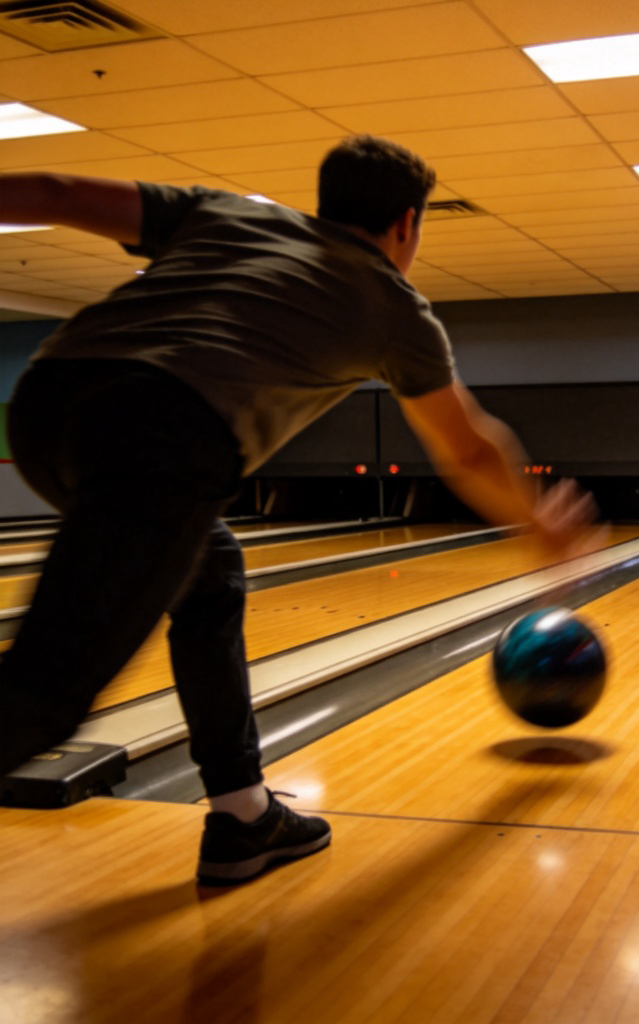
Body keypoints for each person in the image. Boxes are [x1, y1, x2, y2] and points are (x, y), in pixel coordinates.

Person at [0, 135, 596, 885]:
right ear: (407, 224)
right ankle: (242, 816)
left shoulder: (227, 212)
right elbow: (469, 449)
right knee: (45, 694)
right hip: (164, 431)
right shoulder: (394, 306)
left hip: (46, 404)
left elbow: (57, 192)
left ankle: (245, 817)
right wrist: (539, 521)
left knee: (211, 573)